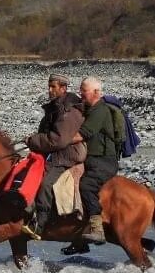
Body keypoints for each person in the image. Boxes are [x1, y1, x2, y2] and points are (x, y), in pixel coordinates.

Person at [21, 74, 85, 240]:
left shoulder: (69, 111)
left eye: (53, 87)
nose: (49, 90)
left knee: (45, 183)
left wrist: (33, 140)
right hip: (54, 153)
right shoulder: (55, 107)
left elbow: (58, 139)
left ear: (63, 88)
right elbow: (45, 133)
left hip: (67, 155)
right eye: (49, 86)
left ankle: (40, 224)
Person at [75, 76, 119, 245]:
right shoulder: (89, 109)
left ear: (96, 92)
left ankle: (97, 229)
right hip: (92, 160)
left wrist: (57, 142)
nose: (81, 94)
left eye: (84, 91)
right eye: (80, 90)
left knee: (86, 185)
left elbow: (82, 134)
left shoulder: (100, 110)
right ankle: (77, 238)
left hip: (104, 162)